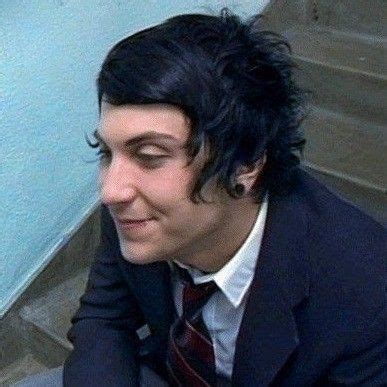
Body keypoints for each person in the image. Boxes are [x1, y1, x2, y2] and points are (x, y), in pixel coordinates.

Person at [61, 8, 386, 387]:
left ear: (244, 164)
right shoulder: (136, 211)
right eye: (107, 153)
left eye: (149, 157)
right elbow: (104, 318)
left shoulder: (366, 292)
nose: (111, 190)